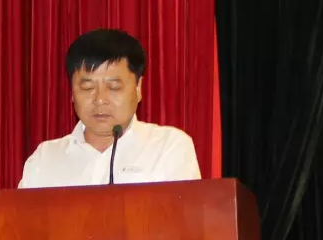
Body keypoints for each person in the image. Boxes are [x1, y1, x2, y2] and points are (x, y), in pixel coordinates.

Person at [18, 28, 201, 189]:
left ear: (138, 88)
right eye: (87, 88)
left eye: (114, 87)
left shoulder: (168, 147)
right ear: (72, 92)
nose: (100, 100)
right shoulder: (46, 159)